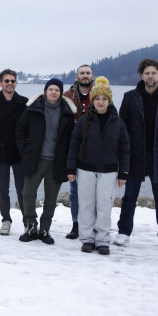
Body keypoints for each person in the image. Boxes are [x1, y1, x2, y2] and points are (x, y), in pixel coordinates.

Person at [114, 59, 158, 251]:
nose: (150, 76)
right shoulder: (130, 97)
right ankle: (124, 232)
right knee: (130, 196)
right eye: (146, 73)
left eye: (153, 73)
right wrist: (126, 145)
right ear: (141, 76)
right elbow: (122, 123)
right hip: (135, 154)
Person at [67, 77, 129, 255]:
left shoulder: (118, 122)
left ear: (109, 100)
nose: (100, 102)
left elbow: (125, 148)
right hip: (85, 169)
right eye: (97, 98)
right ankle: (87, 239)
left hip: (109, 171)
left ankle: (102, 240)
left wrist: (124, 172)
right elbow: (73, 145)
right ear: (92, 101)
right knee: (86, 205)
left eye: (104, 98)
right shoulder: (84, 121)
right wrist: (70, 169)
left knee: (104, 206)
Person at [16, 78, 76, 244]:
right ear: (45, 91)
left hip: (56, 162)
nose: (53, 92)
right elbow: (20, 130)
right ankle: (31, 226)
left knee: (51, 198)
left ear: (60, 93)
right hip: (36, 159)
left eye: (57, 90)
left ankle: (44, 229)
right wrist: (26, 151)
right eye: (51, 89)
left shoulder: (67, 113)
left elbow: (72, 139)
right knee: (28, 194)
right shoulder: (34, 109)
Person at [0, 69, 28, 235]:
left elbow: (29, 126)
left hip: (19, 152)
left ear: (16, 83)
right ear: (0, 83)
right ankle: (6, 220)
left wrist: (26, 145)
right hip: (0, 151)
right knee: (3, 189)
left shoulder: (24, 102)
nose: (10, 84)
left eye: (12, 81)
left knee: (22, 189)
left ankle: (27, 221)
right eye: (6, 81)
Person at [62, 64, 94, 239]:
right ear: (76, 76)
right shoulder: (67, 96)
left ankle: (91, 224)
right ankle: (76, 224)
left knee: (92, 191)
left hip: (95, 150)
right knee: (75, 191)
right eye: (82, 73)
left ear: (92, 76)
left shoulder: (100, 94)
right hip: (73, 149)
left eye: (88, 73)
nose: (85, 76)